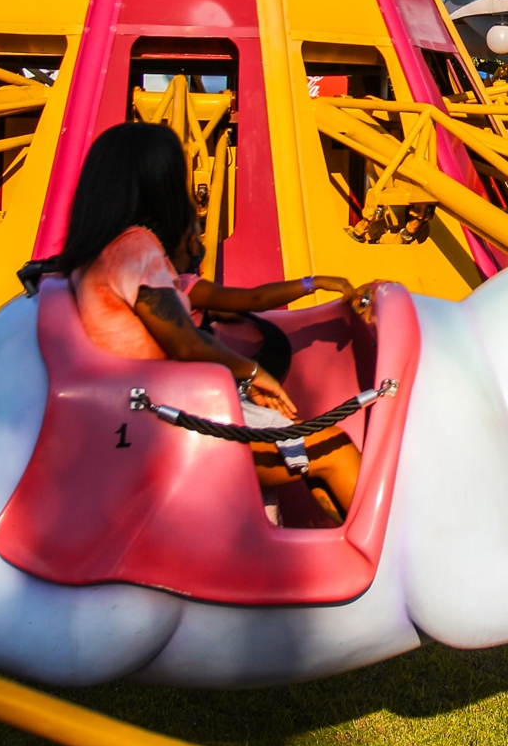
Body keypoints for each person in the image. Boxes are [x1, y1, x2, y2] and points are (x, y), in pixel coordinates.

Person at [49, 121, 367, 523]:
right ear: (156, 184)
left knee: (311, 456)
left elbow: (241, 303)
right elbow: (186, 343)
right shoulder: (135, 248)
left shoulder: (96, 257)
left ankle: (340, 556)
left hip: (142, 420)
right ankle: (395, 566)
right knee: (333, 448)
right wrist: (255, 373)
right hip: (170, 428)